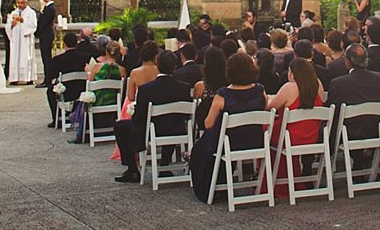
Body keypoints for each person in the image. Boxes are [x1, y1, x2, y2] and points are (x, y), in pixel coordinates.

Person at [190, 52, 268, 202]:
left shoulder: (223, 94)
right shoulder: (260, 90)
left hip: (229, 144)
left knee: (200, 148)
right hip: (255, 141)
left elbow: (208, 123)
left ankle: (211, 187)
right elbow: (264, 109)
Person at [113, 51, 193, 183]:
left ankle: (132, 169)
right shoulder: (184, 88)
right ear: (175, 67)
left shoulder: (146, 89)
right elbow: (185, 114)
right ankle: (164, 165)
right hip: (177, 130)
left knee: (121, 126)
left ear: (157, 65)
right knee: (171, 122)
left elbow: (139, 118)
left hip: (152, 131)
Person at [265, 56, 325, 197]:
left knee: (265, 131)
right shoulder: (318, 84)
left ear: (292, 73)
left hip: (289, 137)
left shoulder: (289, 87)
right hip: (312, 135)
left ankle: (272, 179)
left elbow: (269, 108)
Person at [45, 32, 92, 125]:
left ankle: (56, 119)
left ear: (65, 44)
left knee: (50, 91)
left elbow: (50, 76)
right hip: (81, 90)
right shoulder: (86, 57)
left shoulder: (58, 60)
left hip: (65, 92)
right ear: (77, 43)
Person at [3, 0, 38, 85]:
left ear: (26, 3)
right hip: (16, 39)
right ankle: (14, 78)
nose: (20, 5)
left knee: (25, 57)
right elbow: (7, 26)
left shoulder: (31, 13)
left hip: (25, 39)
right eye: (18, 3)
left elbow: (33, 25)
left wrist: (23, 20)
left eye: (22, 3)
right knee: (15, 58)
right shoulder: (13, 13)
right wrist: (11, 24)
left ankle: (28, 77)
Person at [35, 0, 58, 88]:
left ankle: (48, 79)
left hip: (46, 35)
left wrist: (37, 32)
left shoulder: (51, 8)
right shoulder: (47, 8)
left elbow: (44, 23)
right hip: (45, 35)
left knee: (47, 58)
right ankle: (47, 78)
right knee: (45, 58)